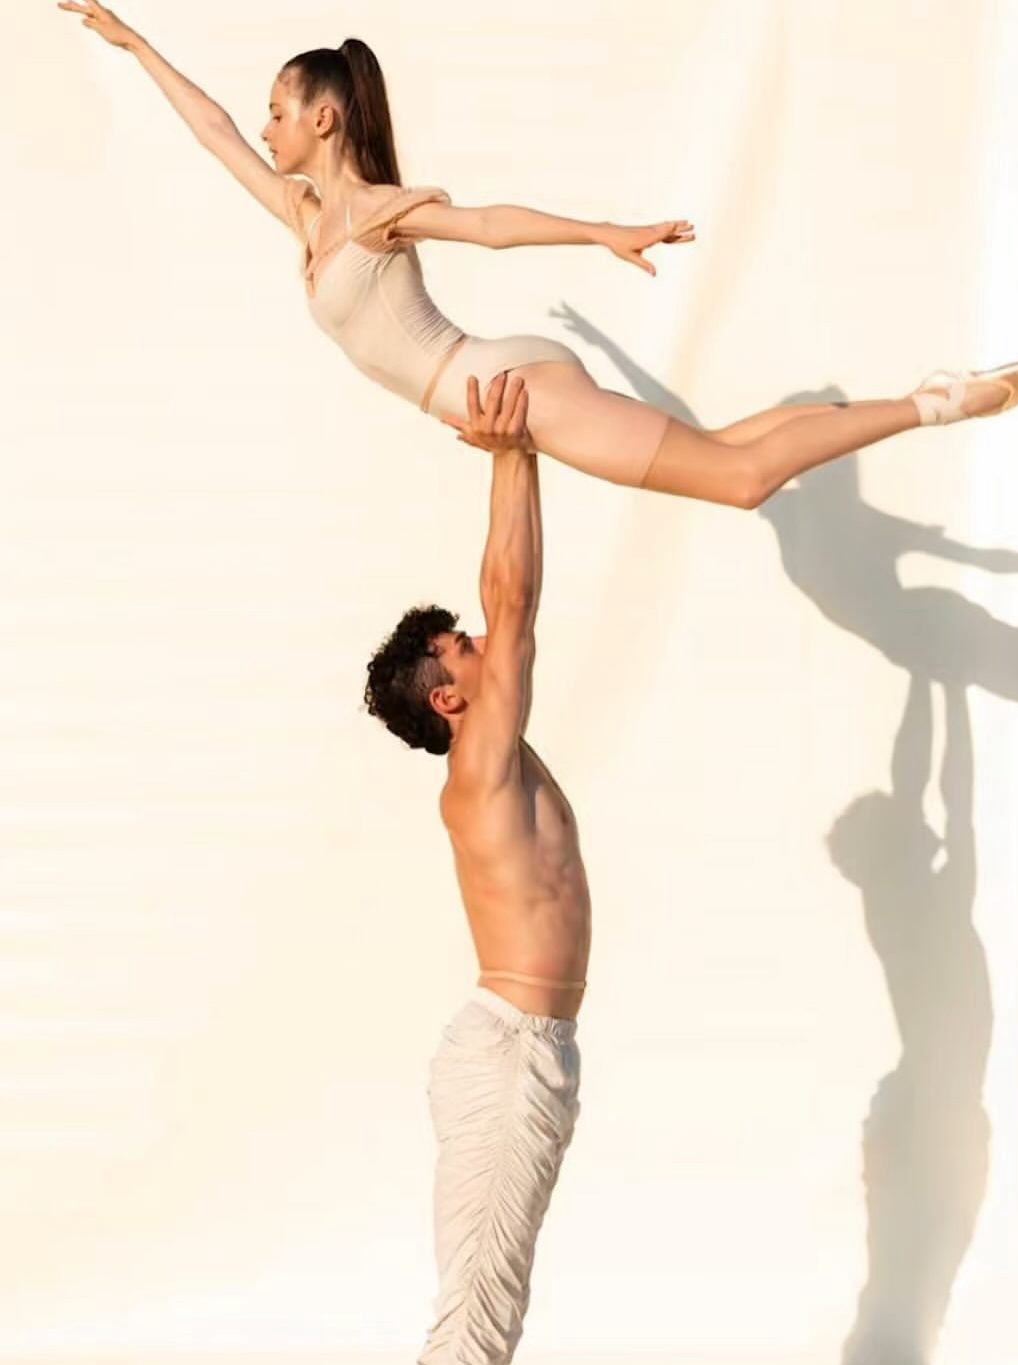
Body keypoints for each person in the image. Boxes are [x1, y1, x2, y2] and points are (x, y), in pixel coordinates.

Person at [59, 3, 1018, 508]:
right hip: (506, 376)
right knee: (734, 452)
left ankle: (937, 402)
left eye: (281, 112)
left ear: (323, 117)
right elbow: (213, 131)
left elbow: (488, 224)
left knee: (743, 483)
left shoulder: (373, 214)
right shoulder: (302, 212)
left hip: (505, 386)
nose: (266, 129)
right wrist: (130, 40)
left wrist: (603, 232)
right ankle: (902, 401)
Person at [363, 373, 588, 1363]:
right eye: (467, 648)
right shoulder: (478, 770)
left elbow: (514, 610)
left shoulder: (498, 757)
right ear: (449, 702)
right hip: (508, 1060)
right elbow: (517, 596)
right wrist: (511, 453)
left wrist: (522, 456)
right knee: (477, 1323)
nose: (492, 645)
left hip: (521, 1050)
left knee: (486, 1310)